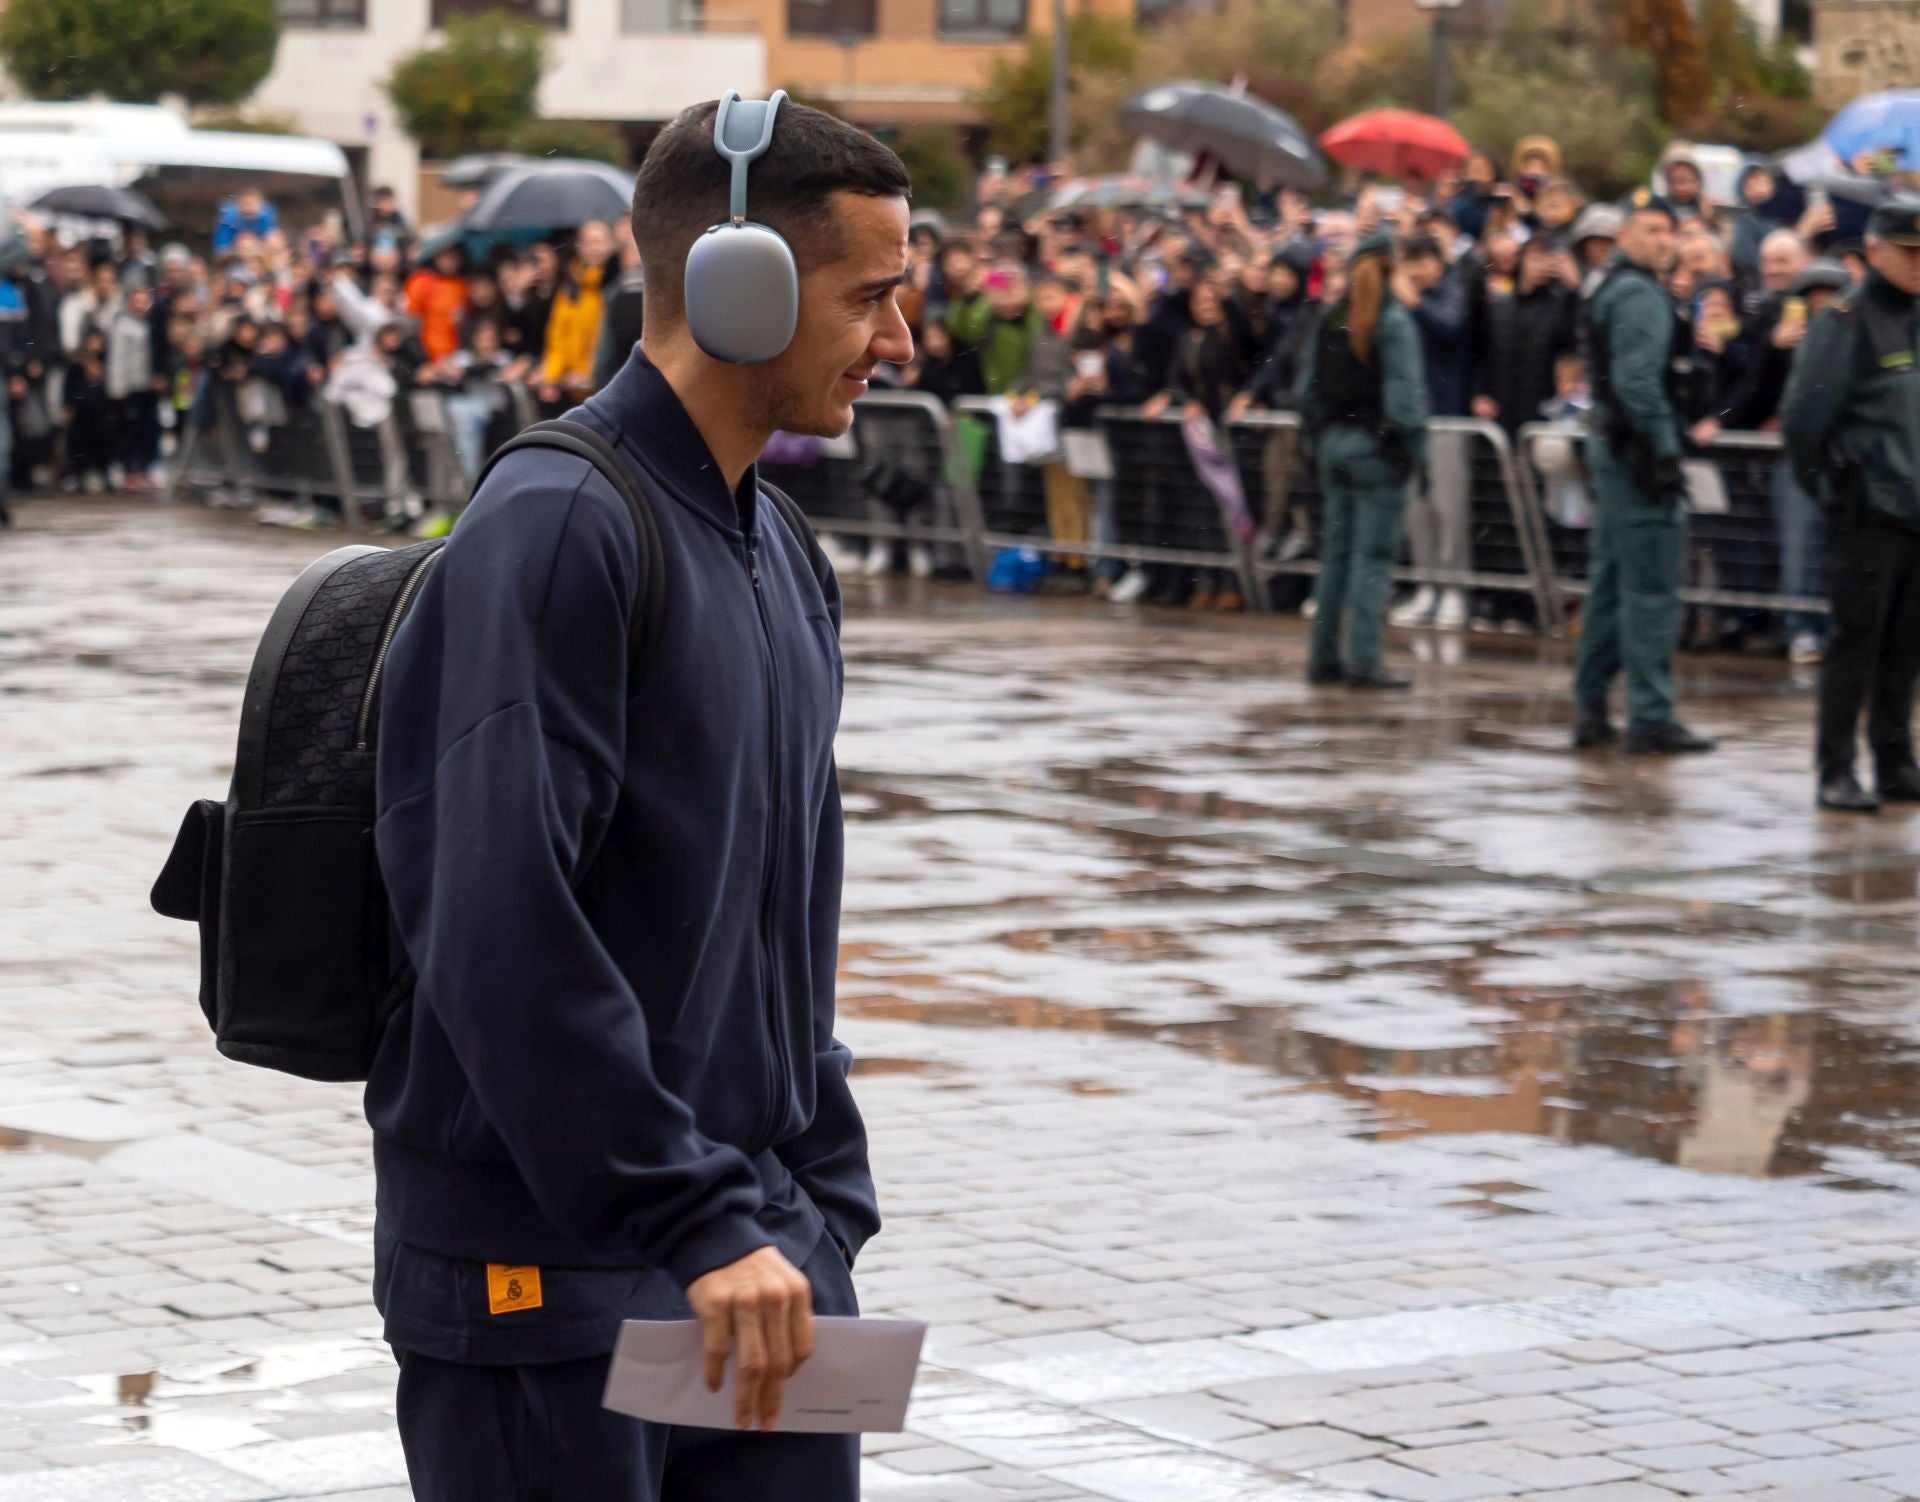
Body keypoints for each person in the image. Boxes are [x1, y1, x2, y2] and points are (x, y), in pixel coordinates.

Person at [368, 95, 907, 1501]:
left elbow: (785, 922)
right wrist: (698, 1214)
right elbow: (496, 925)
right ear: (742, 286)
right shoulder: (557, 527)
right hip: (551, 1282)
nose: (899, 344)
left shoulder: (781, 547)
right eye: (873, 299)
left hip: (749, 1266)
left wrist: (816, 1207)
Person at [1782, 198, 1920, 814]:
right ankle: (1835, 768)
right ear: (1873, 252)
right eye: (1909, 253)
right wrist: (1833, 490)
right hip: (1867, 511)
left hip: (1916, 511)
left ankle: (1894, 760)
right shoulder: (1844, 322)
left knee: (1906, 645)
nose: (1919, 265)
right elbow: (1804, 421)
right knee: (1855, 644)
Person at [1572, 190, 1718, 755]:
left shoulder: (1619, 287)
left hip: (1616, 451)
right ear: (1626, 234)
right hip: (1636, 456)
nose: (1663, 240)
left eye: (1669, 232)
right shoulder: (1638, 294)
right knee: (1651, 591)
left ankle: (1592, 706)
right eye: (1651, 230)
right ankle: (1650, 715)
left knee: (1611, 586)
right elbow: (1637, 383)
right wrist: (1664, 452)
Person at [1297, 233, 1428, 689]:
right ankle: (1365, 661)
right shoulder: (1391, 320)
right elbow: (1406, 401)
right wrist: (1412, 450)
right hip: (1374, 449)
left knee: (1336, 557)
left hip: (1334, 444)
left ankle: (1323, 656)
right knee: (1372, 559)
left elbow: (1306, 393)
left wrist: (1320, 438)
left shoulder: (1331, 318)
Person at [539, 221, 613, 402]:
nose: (593, 248)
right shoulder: (571, 284)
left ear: (611, 244)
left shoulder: (613, 281)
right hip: (573, 385)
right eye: (588, 242)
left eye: (599, 241)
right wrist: (551, 376)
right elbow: (558, 334)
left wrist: (590, 374)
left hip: (605, 381)